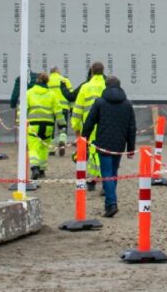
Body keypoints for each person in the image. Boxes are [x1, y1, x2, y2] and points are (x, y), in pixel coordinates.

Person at [81, 76, 136, 218]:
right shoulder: (127, 104)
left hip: (103, 144)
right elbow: (132, 128)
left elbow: (89, 122)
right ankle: (109, 201)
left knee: (106, 174)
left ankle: (111, 203)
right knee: (113, 173)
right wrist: (130, 148)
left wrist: (84, 138)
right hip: (119, 144)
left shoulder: (100, 102)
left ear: (106, 86)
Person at [62, 62, 107, 190]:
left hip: (90, 125)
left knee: (94, 153)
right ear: (103, 71)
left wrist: (76, 126)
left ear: (92, 71)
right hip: (105, 124)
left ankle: (96, 179)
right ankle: (100, 179)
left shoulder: (85, 87)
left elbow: (78, 109)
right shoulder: (107, 86)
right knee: (104, 152)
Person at [25, 72, 59, 179]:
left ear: (37, 80)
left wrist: (19, 121)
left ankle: (34, 167)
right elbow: (58, 111)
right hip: (48, 125)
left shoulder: (29, 93)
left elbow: (22, 109)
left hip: (34, 125)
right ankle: (42, 170)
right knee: (44, 148)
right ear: (47, 81)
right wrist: (62, 124)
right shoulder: (52, 94)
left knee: (34, 148)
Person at [47, 65, 73, 156]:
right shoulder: (65, 80)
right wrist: (72, 108)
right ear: (58, 71)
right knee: (63, 127)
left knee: (50, 129)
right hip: (63, 107)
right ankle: (62, 141)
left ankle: (51, 150)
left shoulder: (47, 80)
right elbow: (71, 95)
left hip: (50, 108)